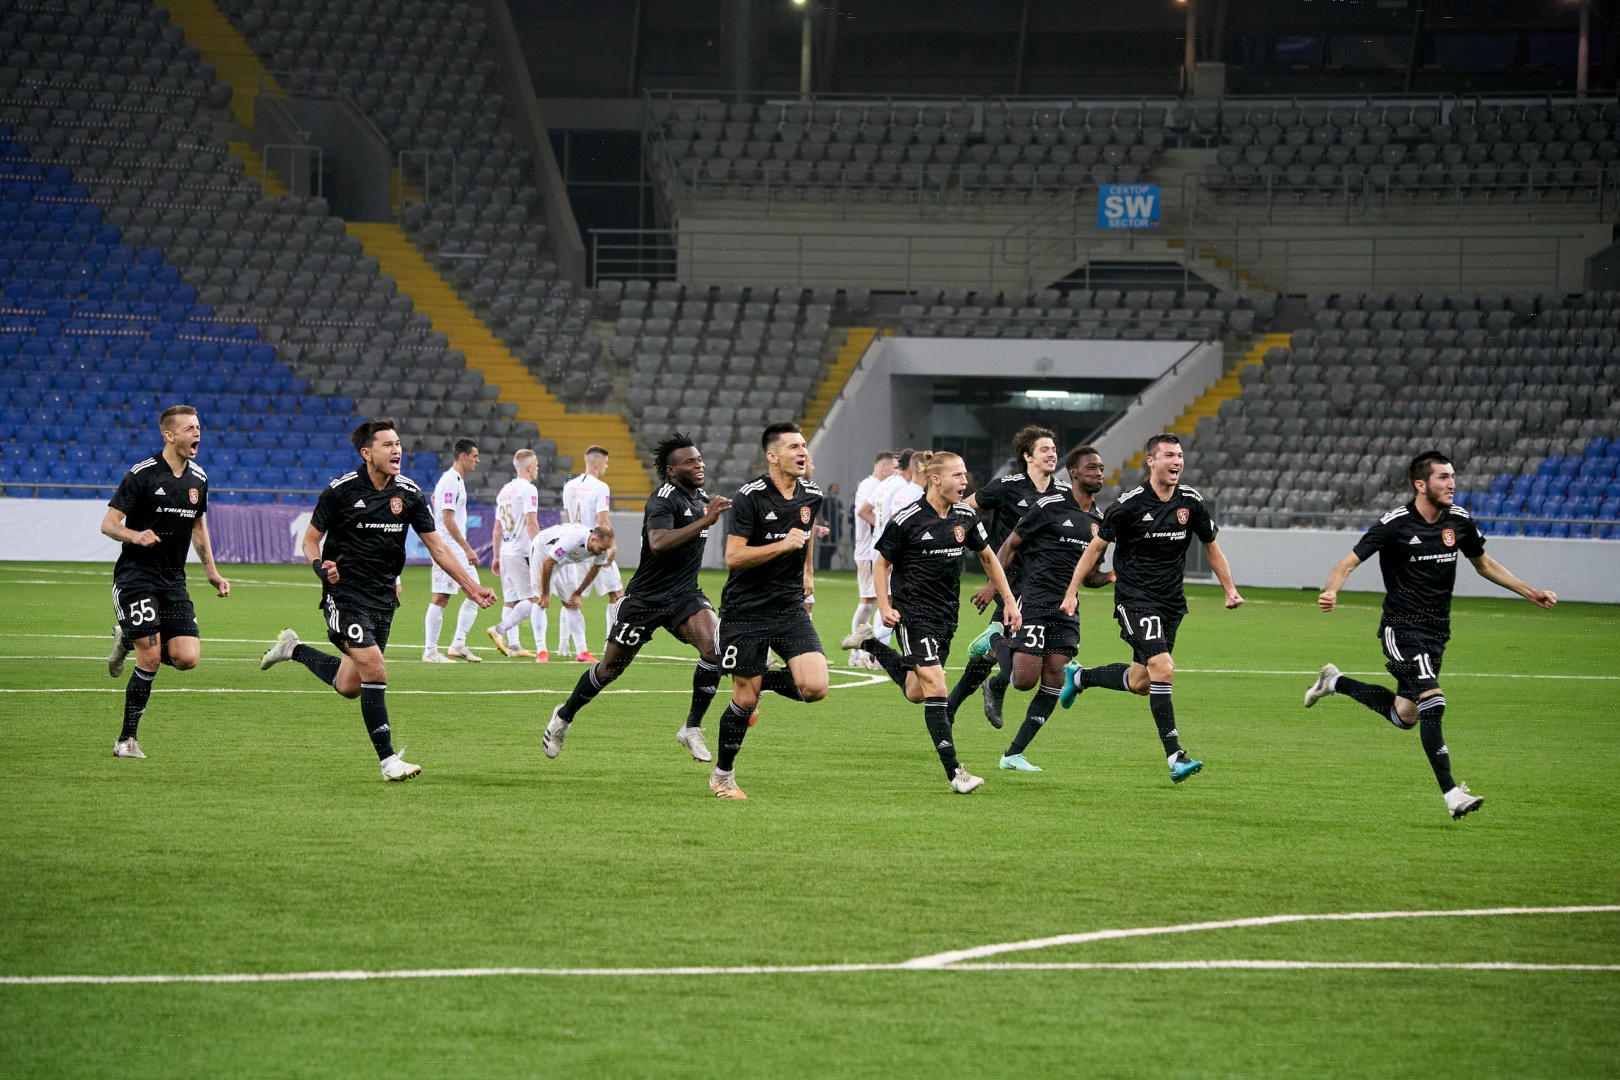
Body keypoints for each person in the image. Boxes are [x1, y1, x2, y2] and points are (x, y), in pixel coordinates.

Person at [1304, 450, 1556, 820]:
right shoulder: (1395, 524)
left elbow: (1483, 563)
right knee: (1433, 702)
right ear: (1421, 484)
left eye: (1452, 476)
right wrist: (1331, 590)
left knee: (1405, 715)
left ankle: (1334, 681)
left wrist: (1529, 591)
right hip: (1402, 629)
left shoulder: (1458, 520)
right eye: (1443, 477)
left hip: (1437, 632)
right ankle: (1452, 794)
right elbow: (1348, 563)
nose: (1452, 483)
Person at [260, 419, 496, 780]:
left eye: (398, 443)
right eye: (387, 445)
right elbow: (310, 540)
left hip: (383, 598)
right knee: (375, 669)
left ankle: (293, 649)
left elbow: (437, 546)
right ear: (366, 453)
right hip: (344, 596)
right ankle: (388, 762)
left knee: (349, 686)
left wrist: (470, 587)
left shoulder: (409, 493)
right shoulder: (340, 491)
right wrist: (320, 567)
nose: (397, 449)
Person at [1057, 433, 1243, 785]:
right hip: (1135, 600)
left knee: (1142, 681)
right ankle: (1175, 756)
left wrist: (1229, 589)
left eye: (1180, 455)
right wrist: (1071, 592)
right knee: (1163, 667)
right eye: (1169, 455)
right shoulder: (1128, 506)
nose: (1177, 461)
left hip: (1171, 602)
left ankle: (1080, 677)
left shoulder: (1190, 502)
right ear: (1151, 461)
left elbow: (1212, 547)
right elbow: (1094, 549)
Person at [540, 433, 734, 764]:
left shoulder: (703, 499)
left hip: (684, 596)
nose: (698, 464)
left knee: (714, 648)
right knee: (608, 671)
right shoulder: (663, 499)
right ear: (672, 470)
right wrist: (706, 520)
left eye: (699, 459)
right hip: (645, 600)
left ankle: (691, 727)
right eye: (690, 461)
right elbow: (658, 543)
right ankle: (563, 716)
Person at [843, 452, 1022, 793]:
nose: (965, 481)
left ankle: (868, 642)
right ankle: (956, 773)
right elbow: (881, 564)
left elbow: (988, 557)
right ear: (936, 479)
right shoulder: (908, 519)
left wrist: (1009, 601)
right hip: (913, 615)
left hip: (946, 617)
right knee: (937, 686)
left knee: (916, 692)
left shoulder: (965, 516)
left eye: (965, 474)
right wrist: (885, 605)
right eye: (958, 475)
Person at [708, 422, 829, 799]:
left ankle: (764, 683)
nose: (803, 452)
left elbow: (805, 533)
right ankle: (723, 775)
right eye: (794, 447)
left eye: (804, 445)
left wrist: (807, 570)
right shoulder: (750, 497)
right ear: (772, 456)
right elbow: (733, 557)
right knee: (744, 700)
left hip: (789, 606)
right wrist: (782, 546)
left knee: (816, 687)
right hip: (746, 610)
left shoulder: (812, 493)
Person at [101, 404, 230, 759]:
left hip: (173, 581)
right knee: (151, 657)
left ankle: (127, 636)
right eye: (190, 428)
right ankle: (126, 740)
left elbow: (198, 526)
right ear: (169, 435)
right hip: (136, 578)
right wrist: (134, 535)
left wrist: (211, 572)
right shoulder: (142, 474)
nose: (197, 433)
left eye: (199, 427)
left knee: (187, 658)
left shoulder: (198, 479)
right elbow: (108, 524)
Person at [992, 444, 1112, 772]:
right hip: (1034, 599)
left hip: (1067, 608)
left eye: (1101, 469)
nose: (1098, 473)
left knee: (1055, 678)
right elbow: (1009, 546)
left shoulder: (1100, 521)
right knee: (1023, 681)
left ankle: (1013, 754)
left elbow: (1091, 577)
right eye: (1091, 468)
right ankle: (995, 641)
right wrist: (996, 589)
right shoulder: (1049, 505)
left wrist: (1112, 576)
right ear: (1073, 473)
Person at [946, 426, 1067, 729]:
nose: (1052, 454)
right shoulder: (1007, 487)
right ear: (1027, 456)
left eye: (1054, 449)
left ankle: (956, 703)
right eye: (1044, 449)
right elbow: (963, 508)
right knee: (1012, 653)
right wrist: (988, 576)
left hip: (1046, 585)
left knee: (998, 653)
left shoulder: (1063, 493)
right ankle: (982, 691)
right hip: (1009, 582)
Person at [492, 520, 616, 653]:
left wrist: (577, 593)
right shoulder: (573, 539)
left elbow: (594, 570)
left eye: (607, 548)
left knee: (571, 603)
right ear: (593, 540)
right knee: (539, 601)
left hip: (564, 559)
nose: (604, 552)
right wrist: (545, 593)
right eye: (602, 548)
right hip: (543, 550)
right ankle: (540, 650)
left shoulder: (602, 549)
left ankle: (582, 652)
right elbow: (549, 562)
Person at [559, 445, 626, 662]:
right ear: (597, 463)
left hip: (576, 547)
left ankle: (563, 644)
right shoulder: (600, 487)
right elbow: (602, 520)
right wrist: (611, 543)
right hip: (597, 546)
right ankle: (611, 643)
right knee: (616, 594)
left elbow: (568, 517)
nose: (606, 467)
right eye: (605, 463)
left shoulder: (569, 486)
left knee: (571, 597)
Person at [423, 438, 483, 663]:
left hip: (454, 547)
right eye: (475, 456)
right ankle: (430, 652)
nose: (478, 460)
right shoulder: (451, 481)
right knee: (441, 598)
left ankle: (458, 643)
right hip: (447, 548)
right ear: (463, 456)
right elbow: (448, 520)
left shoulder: (455, 480)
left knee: (476, 594)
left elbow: (435, 499)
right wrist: (467, 548)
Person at [487, 449, 544, 660]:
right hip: (521, 551)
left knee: (510, 600)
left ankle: (514, 646)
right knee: (534, 599)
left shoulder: (504, 491)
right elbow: (531, 523)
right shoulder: (528, 489)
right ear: (529, 467)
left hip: (506, 551)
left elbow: (497, 529)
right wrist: (540, 549)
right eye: (536, 465)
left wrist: (496, 556)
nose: (537, 468)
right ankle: (499, 629)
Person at [850, 451, 897, 670]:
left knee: (873, 602)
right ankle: (859, 651)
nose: (896, 471)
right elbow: (863, 512)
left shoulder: (871, 484)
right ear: (883, 467)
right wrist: (884, 529)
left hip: (868, 549)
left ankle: (863, 652)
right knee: (872, 602)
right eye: (893, 467)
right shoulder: (873, 486)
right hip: (868, 550)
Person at [817, 481, 843, 571]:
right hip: (826, 530)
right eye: (834, 490)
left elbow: (841, 516)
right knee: (825, 550)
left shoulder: (839, 503)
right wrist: (824, 522)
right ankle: (823, 568)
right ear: (829, 491)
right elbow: (818, 513)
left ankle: (828, 568)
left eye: (837, 490)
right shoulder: (825, 502)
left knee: (832, 549)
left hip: (836, 531)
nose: (836, 492)